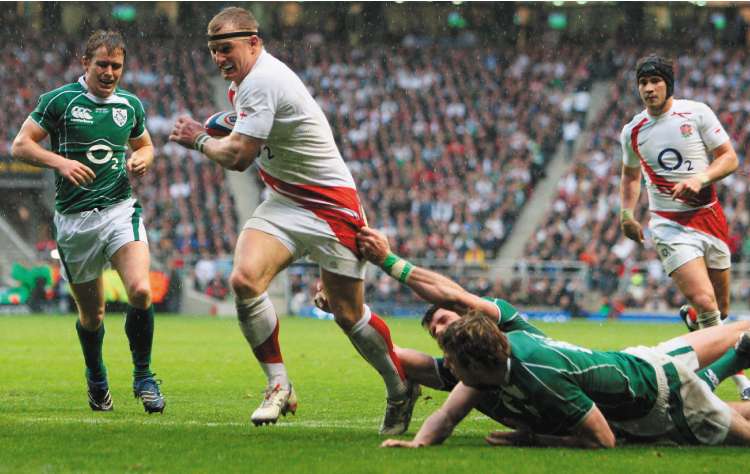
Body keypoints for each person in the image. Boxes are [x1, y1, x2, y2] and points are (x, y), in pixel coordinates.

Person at [168, 7, 417, 433]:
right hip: (286, 200)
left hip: (330, 204)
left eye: (226, 48)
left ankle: (400, 388)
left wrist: (200, 139)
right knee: (244, 280)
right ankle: (278, 385)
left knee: (347, 313)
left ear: (254, 42)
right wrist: (224, 126)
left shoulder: (263, 80)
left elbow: (240, 156)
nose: (219, 58)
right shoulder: (247, 82)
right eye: (212, 51)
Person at [350, 226, 750, 448]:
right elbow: (413, 375)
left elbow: (454, 296)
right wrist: (344, 306)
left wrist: (389, 262)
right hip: (636, 366)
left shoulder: (515, 345)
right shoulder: (472, 367)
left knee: (727, 353)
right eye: (435, 331)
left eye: (444, 321)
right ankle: (734, 365)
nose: (441, 332)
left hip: (651, 392)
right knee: (723, 389)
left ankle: (731, 364)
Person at [11, 30, 165, 413]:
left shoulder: (129, 105)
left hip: (119, 210)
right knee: (92, 315)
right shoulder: (60, 101)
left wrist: (145, 156)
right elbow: (21, 144)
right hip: (74, 222)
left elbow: (144, 143)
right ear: (85, 63)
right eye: (102, 64)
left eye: (117, 65)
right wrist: (61, 162)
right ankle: (96, 377)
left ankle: (143, 376)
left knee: (141, 291)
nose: (110, 72)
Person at [619, 54, 750, 399]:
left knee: (720, 311)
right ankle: (738, 381)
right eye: (642, 83)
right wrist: (626, 214)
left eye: (654, 81)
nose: (648, 89)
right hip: (668, 224)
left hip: (710, 217)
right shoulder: (632, 131)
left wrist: (701, 177)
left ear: (668, 84)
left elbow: (730, 158)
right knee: (707, 304)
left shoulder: (697, 113)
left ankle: (695, 324)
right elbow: (630, 175)